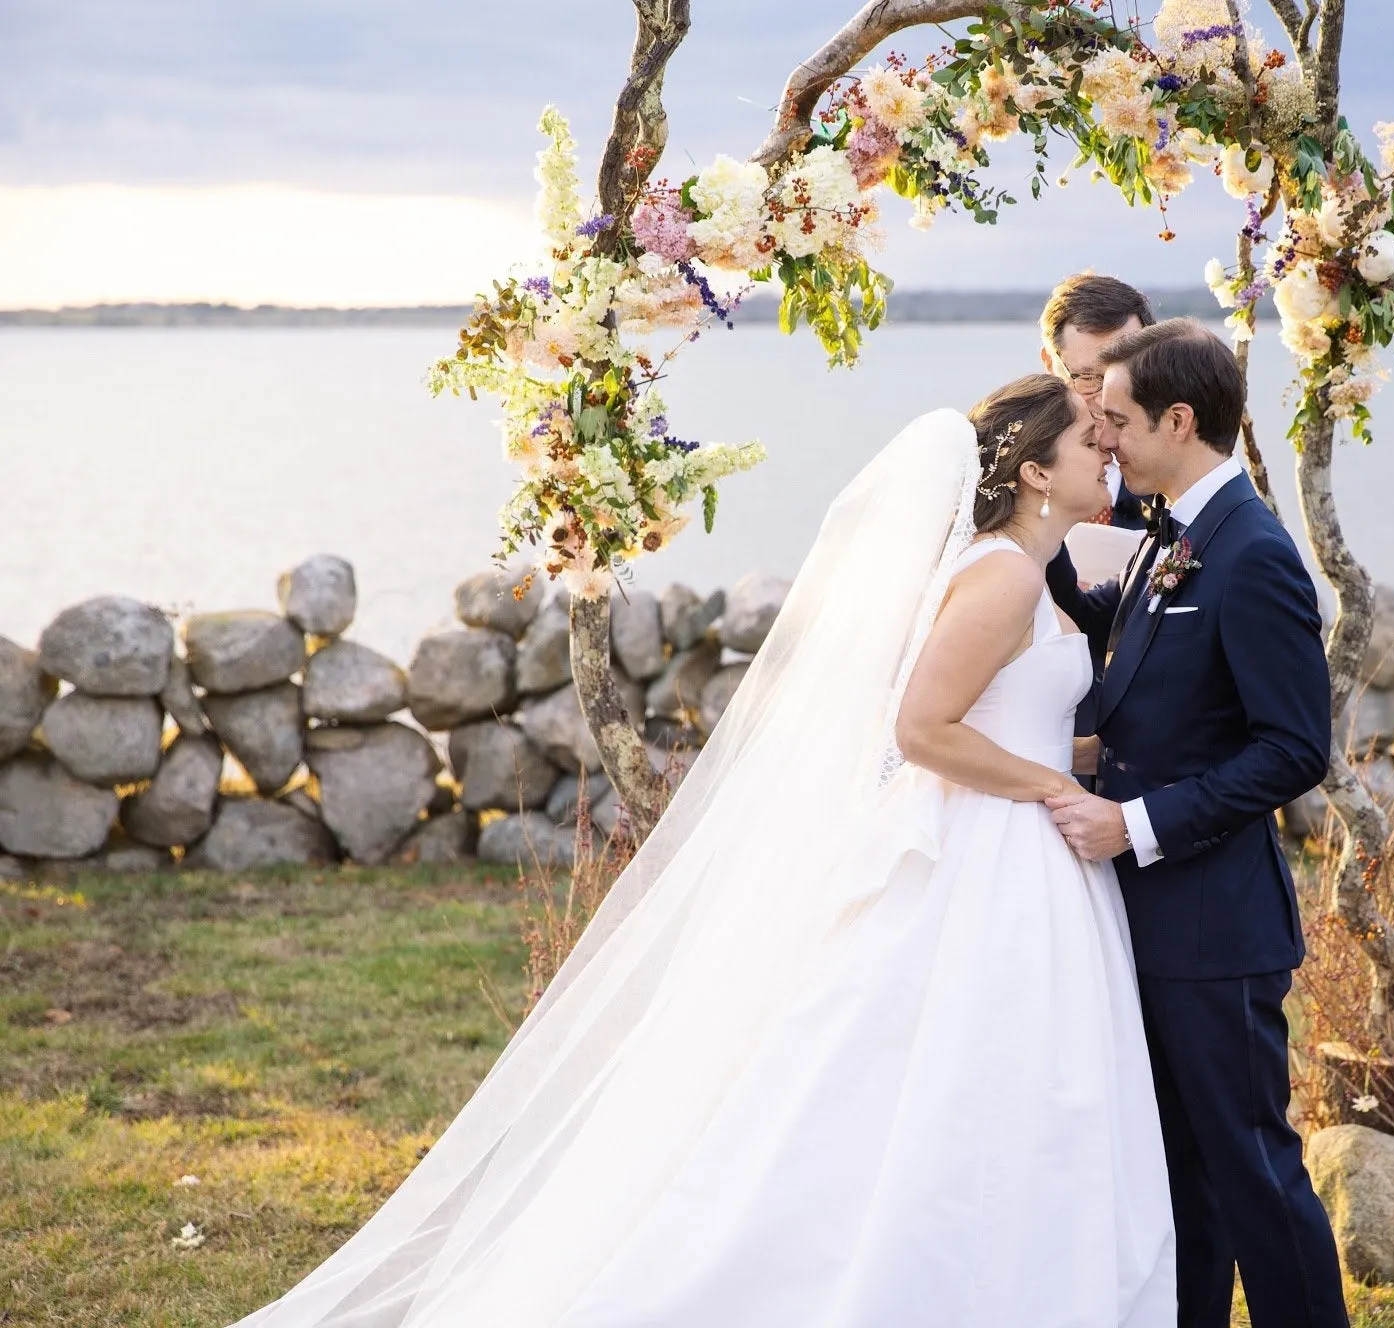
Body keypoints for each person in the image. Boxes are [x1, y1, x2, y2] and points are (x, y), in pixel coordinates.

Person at [233, 376, 1175, 1326]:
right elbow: (923, 727)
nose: (1107, 448)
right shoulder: (1003, 575)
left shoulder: (1022, 569)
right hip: (990, 851)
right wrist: (1054, 786)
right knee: (952, 1084)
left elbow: (1012, 715)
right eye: (1090, 438)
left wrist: (1094, 762)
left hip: (1028, 851)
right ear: (1032, 472)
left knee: (1008, 1092)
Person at [1046, 319, 1353, 1328]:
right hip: (1150, 916)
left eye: (1121, 420)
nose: (1107, 438)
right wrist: (1024, 527)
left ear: (1181, 420)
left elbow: (1292, 747)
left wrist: (1135, 822)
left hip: (1215, 925)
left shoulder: (1254, 551)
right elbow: (1120, 633)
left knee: (1252, 1166)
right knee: (1182, 1175)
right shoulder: (1173, 530)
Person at [1040, 272, 1155, 531]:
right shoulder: (1013, 458)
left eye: (1124, 374)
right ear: (1050, 364)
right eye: (1090, 378)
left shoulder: (1175, 458)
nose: (1107, 397)